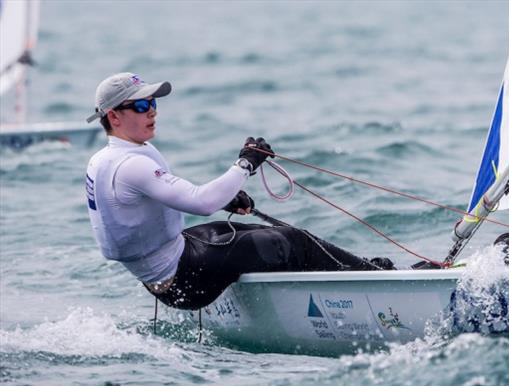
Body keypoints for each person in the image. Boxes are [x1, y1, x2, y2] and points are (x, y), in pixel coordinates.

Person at [85, 72, 393, 310]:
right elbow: (201, 202)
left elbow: (161, 199)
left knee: (242, 231)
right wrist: (246, 163)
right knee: (295, 242)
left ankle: (360, 268)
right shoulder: (130, 164)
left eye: (153, 103)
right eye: (141, 105)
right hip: (184, 281)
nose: (152, 111)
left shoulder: (106, 159)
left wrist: (227, 196)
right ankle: (379, 282)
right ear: (113, 116)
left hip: (166, 274)